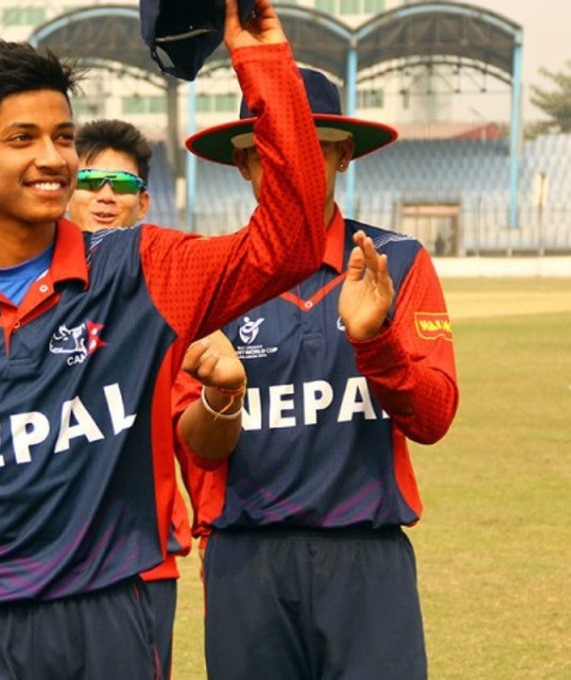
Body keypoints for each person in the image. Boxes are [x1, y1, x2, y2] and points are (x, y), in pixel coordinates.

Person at [0, 1, 328, 677]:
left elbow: (290, 243)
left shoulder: (139, 269)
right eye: (22, 138)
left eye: (63, 137)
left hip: (108, 614)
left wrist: (261, 59)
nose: (52, 158)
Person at [183, 67, 460, 679]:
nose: (287, 168)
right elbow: (198, 451)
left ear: (340, 156)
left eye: (307, 150)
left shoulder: (397, 262)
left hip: (368, 562)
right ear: (244, 166)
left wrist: (377, 344)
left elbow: (435, 417)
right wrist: (224, 398)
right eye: (267, 153)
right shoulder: (208, 277)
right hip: (247, 565)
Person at [69, 117, 245, 680]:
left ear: (143, 202)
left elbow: (198, 445)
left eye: (120, 185)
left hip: (136, 564)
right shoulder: (15, 288)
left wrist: (221, 396)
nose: (103, 195)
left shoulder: (164, 295)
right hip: (29, 564)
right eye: (90, 179)